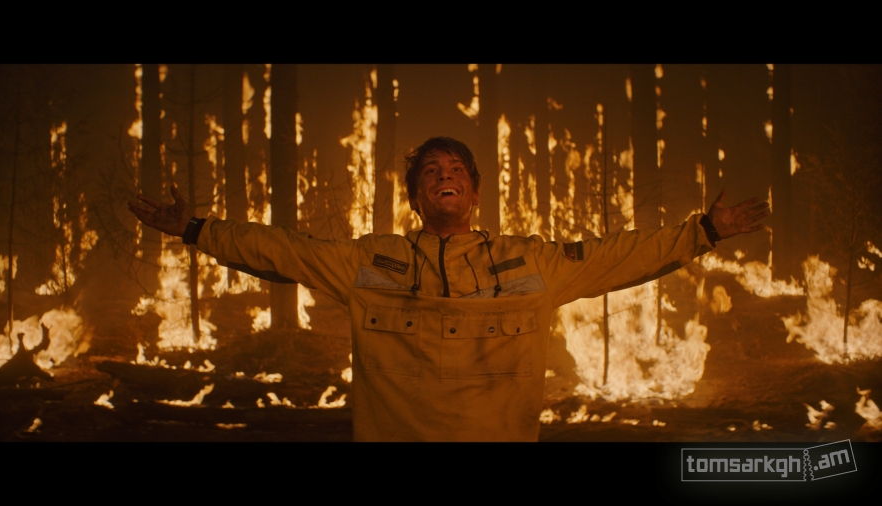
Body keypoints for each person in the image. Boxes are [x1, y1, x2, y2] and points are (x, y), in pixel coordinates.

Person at [129, 136, 768, 442]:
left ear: (475, 192)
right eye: (431, 170)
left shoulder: (530, 262)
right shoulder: (369, 261)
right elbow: (281, 250)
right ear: (416, 198)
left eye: (456, 167)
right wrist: (194, 229)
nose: (445, 174)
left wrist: (705, 231)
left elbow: (620, 256)